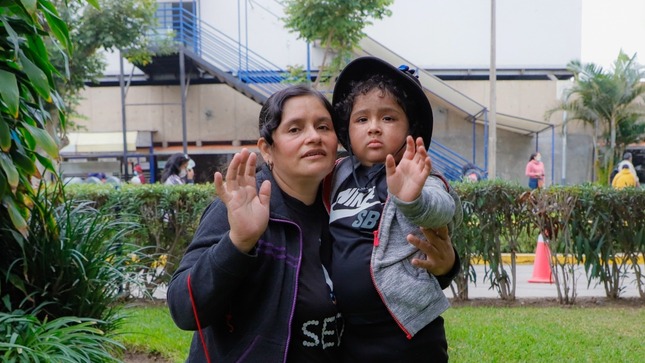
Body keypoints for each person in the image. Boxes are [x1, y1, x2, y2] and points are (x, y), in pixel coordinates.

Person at [167, 86, 343, 362]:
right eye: (295, 129)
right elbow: (184, 308)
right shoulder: (242, 207)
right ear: (267, 149)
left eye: (323, 126)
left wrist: (439, 269)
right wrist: (238, 242)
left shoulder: (344, 209)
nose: (314, 137)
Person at [326, 56, 462, 362]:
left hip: (408, 333)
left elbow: (444, 209)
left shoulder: (415, 171)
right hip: (349, 333)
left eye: (388, 118)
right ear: (346, 129)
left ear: (409, 127)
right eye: (362, 119)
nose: (374, 128)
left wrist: (413, 200)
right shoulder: (336, 175)